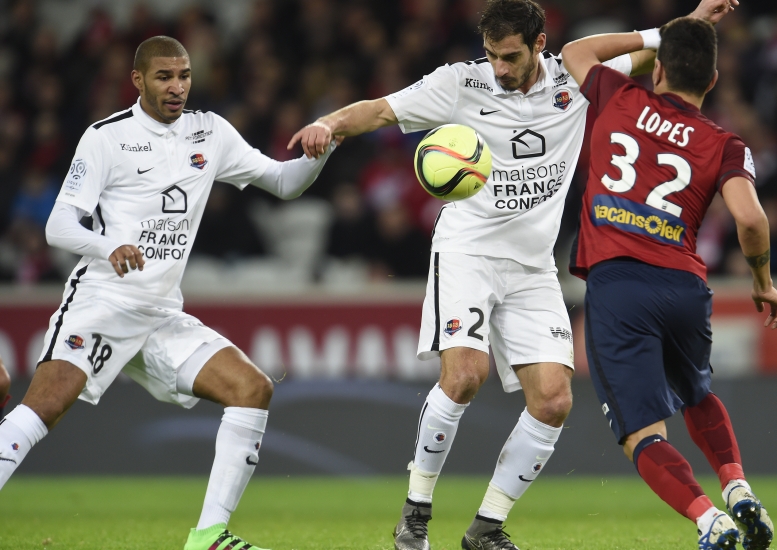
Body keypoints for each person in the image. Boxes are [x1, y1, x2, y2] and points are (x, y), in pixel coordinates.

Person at [291, 1, 725, 548]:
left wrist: (693, 22)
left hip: (533, 263)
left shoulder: (578, 79)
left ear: (541, 44)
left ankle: (486, 528)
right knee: (465, 374)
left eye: (511, 56)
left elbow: (659, 59)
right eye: (493, 55)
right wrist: (327, 123)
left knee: (553, 399)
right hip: (468, 249)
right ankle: (416, 515)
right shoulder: (460, 84)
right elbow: (379, 111)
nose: (499, 67)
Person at [0, 36, 336, 550]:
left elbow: (284, 183)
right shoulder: (106, 137)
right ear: (138, 81)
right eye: (164, 77)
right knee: (43, 407)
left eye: (183, 76)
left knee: (252, 389)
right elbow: (58, 226)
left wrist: (320, 147)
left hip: (160, 313)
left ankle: (208, 537)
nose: (176, 87)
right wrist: (110, 244)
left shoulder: (211, 132)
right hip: (104, 301)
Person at [561, 8, 777, 550]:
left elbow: (577, 51)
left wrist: (661, 32)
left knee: (642, 433)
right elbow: (753, 219)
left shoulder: (619, 97)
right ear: (711, 81)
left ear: (658, 70)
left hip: (619, 284)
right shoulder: (726, 144)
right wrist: (761, 280)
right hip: (685, 287)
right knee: (696, 392)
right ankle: (737, 488)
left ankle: (708, 520)